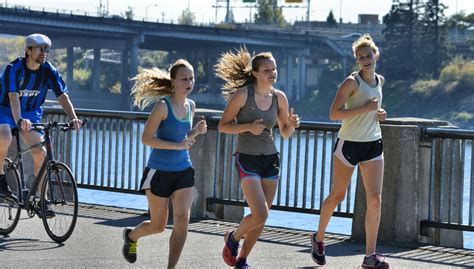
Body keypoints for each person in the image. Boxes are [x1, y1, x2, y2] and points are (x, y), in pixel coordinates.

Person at [215, 47, 300, 269]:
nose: (272, 74)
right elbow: (223, 126)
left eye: (274, 69)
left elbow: (284, 132)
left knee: (262, 217)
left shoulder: (279, 97)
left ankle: (242, 260)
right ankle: (233, 238)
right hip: (247, 159)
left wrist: (291, 125)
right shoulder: (243, 95)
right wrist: (247, 127)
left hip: (270, 159)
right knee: (259, 212)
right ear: (255, 73)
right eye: (266, 70)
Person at [311, 34, 389, 269]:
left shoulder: (380, 80)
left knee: (375, 199)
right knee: (338, 195)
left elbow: (372, 109)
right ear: (356, 60)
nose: (366, 60)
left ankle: (370, 256)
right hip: (349, 145)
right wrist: (365, 108)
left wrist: (379, 114)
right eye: (361, 57)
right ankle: (319, 238)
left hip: (373, 144)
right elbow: (334, 114)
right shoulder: (351, 82)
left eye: (369, 55)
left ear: (376, 55)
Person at [121, 59, 207, 268]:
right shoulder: (162, 106)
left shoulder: (190, 106)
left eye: (192, 78)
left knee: (182, 220)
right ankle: (131, 237)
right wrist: (178, 146)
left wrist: (195, 131)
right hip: (158, 171)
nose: (189, 82)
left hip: (183, 171)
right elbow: (146, 139)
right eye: (184, 78)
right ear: (174, 82)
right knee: (158, 226)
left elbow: (182, 136)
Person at [0, 33, 82, 200]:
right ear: (28, 51)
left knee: (41, 152)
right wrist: (19, 120)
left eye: (46, 49)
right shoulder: (14, 68)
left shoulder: (48, 71)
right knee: (4, 137)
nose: (44, 52)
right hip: (6, 110)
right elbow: (13, 96)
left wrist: (73, 118)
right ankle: (0, 177)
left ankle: (40, 198)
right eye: (39, 49)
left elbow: (62, 96)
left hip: (31, 114)